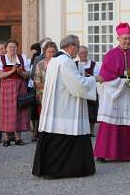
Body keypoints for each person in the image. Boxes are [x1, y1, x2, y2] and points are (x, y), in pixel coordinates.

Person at [32, 35, 101, 179]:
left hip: (57, 105)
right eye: (77, 46)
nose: (77, 51)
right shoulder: (65, 62)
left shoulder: (55, 60)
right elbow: (78, 85)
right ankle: (60, 170)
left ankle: (48, 169)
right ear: (71, 46)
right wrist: (93, 79)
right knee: (65, 135)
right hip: (65, 107)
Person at [94, 22, 130, 162]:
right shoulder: (111, 55)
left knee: (129, 124)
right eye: (124, 38)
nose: (127, 41)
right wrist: (123, 81)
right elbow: (105, 77)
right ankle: (104, 153)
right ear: (118, 38)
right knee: (111, 124)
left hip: (129, 95)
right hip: (115, 96)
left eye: (129, 38)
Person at [0, 39, 30, 147]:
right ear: (6, 49)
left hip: (20, 87)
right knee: (6, 112)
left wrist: (21, 73)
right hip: (7, 88)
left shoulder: (22, 57)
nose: (12, 49)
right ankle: (6, 139)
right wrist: (12, 71)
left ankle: (18, 138)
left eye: (14, 47)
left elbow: (27, 75)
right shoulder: (0, 59)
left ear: (17, 48)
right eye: (10, 47)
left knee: (19, 110)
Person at [76, 45, 101, 136]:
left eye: (84, 53)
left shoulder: (94, 64)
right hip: (79, 91)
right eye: (81, 53)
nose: (83, 55)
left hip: (91, 90)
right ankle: (81, 130)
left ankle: (91, 130)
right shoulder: (75, 64)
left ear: (87, 53)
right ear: (78, 54)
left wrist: (88, 75)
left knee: (92, 111)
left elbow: (98, 78)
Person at [34, 42, 58, 116]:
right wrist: (50, 87)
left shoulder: (59, 64)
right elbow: (37, 82)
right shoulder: (40, 64)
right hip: (43, 96)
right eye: (49, 52)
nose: (51, 54)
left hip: (57, 96)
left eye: (53, 52)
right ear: (45, 53)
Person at [28, 42, 42, 142]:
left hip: (36, 86)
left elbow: (32, 74)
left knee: (36, 110)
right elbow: (32, 74)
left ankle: (35, 132)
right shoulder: (35, 58)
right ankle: (34, 131)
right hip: (33, 86)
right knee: (34, 110)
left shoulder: (37, 58)